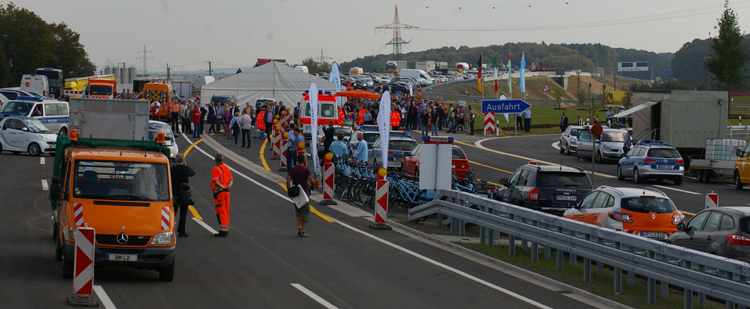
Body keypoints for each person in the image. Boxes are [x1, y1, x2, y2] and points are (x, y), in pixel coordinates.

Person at [287, 154, 316, 237]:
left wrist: (289, 191)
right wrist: (313, 186)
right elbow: (311, 180)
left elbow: (288, 180)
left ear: (296, 161)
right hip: (304, 192)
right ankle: (303, 230)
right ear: (304, 161)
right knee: (305, 211)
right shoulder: (306, 170)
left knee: (298, 211)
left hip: (296, 192)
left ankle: (299, 228)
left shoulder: (292, 170)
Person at [170, 154, 195, 238]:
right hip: (184, 194)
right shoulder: (185, 169)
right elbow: (192, 173)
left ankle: (171, 230)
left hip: (174, 193)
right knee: (183, 213)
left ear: (176, 161)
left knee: (173, 213)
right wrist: (186, 165)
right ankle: (181, 231)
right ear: (183, 161)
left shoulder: (173, 169)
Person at [211, 153, 233, 237]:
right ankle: (225, 228)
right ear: (223, 160)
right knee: (226, 211)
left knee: (220, 211)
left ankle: (223, 230)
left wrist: (223, 187)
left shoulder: (215, 169)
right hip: (227, 193)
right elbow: (231, 179)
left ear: (215, 160)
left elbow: (216, 181)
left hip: (219, 193)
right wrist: (228, 187)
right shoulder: (227, 168)